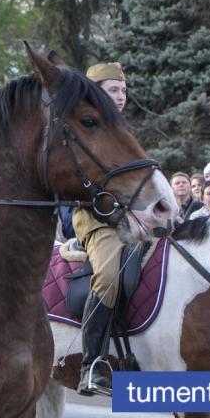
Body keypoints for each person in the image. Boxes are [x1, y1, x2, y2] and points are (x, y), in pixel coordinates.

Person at [68, 61, 136, 396]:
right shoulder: (83, 133)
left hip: (134, 219)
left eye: (123, 90)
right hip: (95, 219)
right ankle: (91, 365)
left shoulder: (123, 132)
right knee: (109, 274)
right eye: (113, 90)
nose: (121, 96)